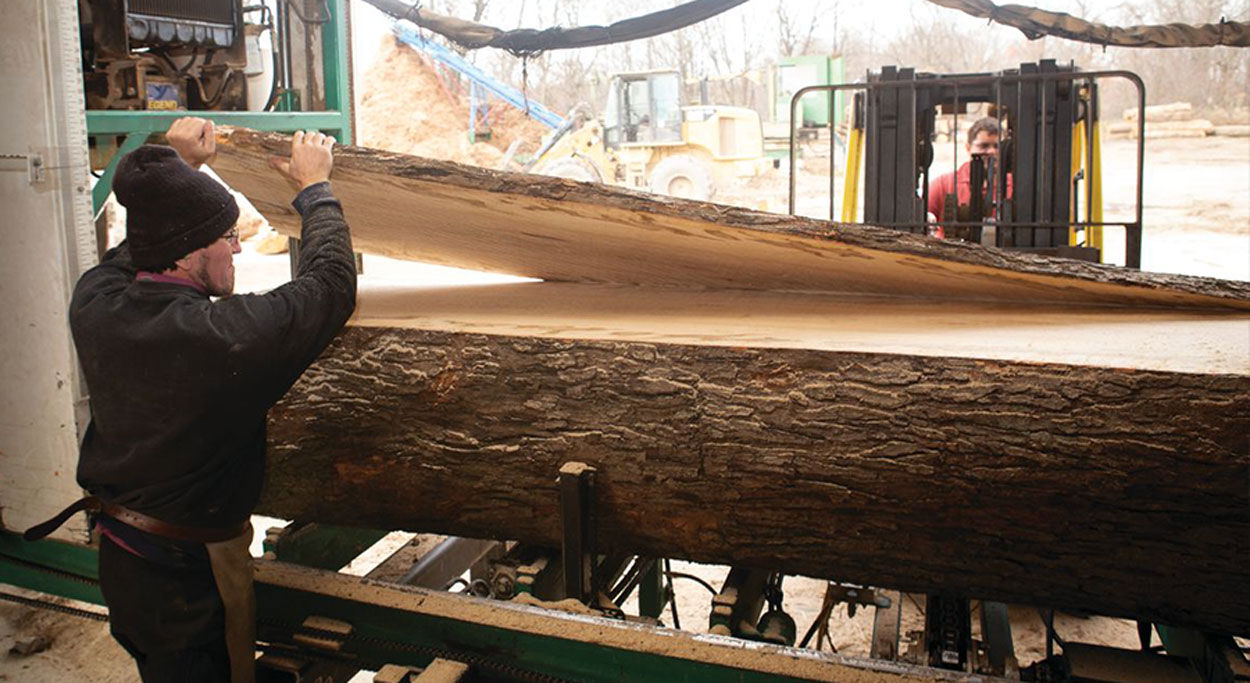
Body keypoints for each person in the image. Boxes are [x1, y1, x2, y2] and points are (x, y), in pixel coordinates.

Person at [26, 118, 356, 682]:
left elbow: (136, 247)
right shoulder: (220, 337)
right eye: (226, 239)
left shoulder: (96, 302)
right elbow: (330, 286)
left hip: (124, 560)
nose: (236, 248)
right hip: (191, 576)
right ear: (184, 255)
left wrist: (177, 166)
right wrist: (315, 191)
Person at [926, 116, 1012, 235]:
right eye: (984, 146)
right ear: (968, 148)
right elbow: (923, 217)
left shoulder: (1015, 186)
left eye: (997, 146)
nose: (992, 152)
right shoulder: (943, 184)